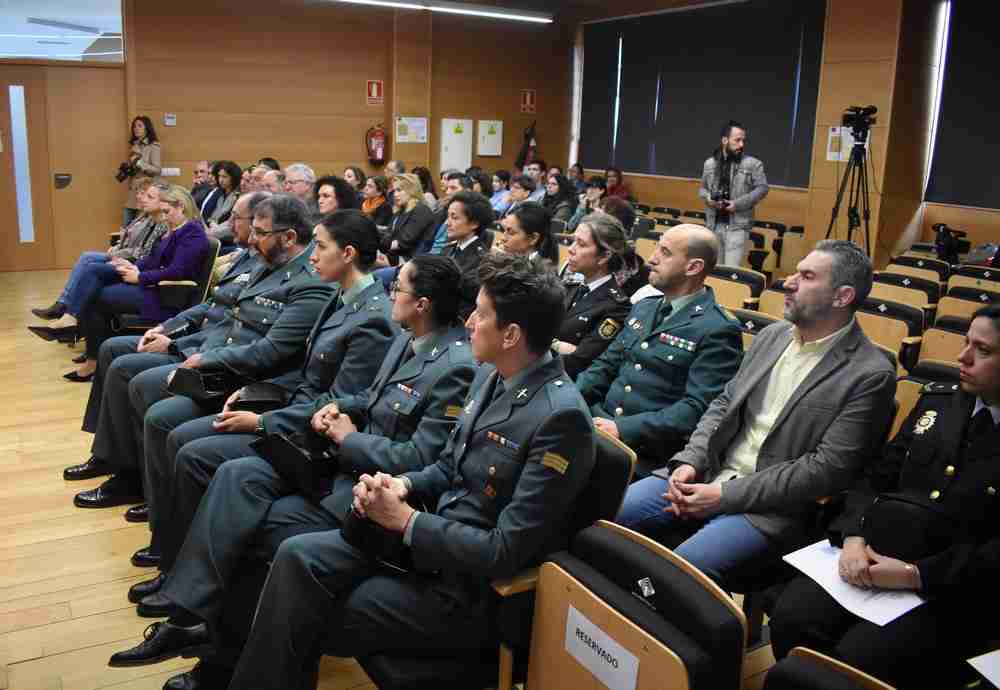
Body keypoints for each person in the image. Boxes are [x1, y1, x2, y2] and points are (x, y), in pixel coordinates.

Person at [109, 253, 595, 690]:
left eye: (481, 315)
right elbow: (447, 465)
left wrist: (406, 520)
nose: (468, 322)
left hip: (459, 588)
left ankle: (229, 671)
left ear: (511, 335)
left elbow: (505, 551)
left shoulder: (559, 417)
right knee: (272, 551)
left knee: (292, 597)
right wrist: (399, 486)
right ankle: (219, 665)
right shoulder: (495, 373)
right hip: (414, 538)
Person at [617, 240, 896, 585]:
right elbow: (723, 404)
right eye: (795, 271)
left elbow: (826, 470)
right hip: (709, 473)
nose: (789, 282)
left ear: (842, 297)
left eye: (807, 276)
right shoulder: (773, 336)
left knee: (679, 575)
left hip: (769, 509)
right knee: (606, 515)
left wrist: (724, 497)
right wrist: (689, 462)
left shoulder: (870, 374)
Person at [135, 209, 397, 576]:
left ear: (349, 254)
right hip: (291, 409)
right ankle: (173, 560)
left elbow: (337, 405)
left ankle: (180, 568)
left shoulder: (371, 317)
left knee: (193, 451)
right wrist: (253, 392)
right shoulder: (342, 298)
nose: (314, 255)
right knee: (183, 440)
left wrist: (262, 422)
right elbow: (305, 372)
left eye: (321, 247)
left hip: (311, 437)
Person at [768, 305, 1000, 690]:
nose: (963, 357)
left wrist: (917, 575)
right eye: (965, 343)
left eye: (984, 350)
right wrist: (855, 536)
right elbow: (874, 478)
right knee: (793, 619)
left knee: (859, 661)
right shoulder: (940, 402)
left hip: (955, 586)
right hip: (873, 556)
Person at [66, 194, 332, 508]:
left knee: (136, 380)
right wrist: (169, 329)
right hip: (213, 348)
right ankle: (116, 461)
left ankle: (138, 482)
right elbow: (218, 307)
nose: (247, 235)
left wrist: (196, 353)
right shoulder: (264, 261)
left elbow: (268, 350)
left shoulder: (307, 280)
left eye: (259, 231)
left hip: (238, 372)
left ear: (288, 237)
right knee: (116, 353)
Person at [577, 224, 742, 476]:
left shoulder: (717, 328)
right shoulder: (645, 308)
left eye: (665, 252)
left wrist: (622, 428)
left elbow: (695, 409)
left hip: (646, 451)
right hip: (596, 426)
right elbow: (605, 366)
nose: (652, 259)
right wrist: (570, 400)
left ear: (693, 267)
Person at [63, 186, 210, 382]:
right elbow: (152, 260)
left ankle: (90, 354)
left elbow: (177, 271)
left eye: (167, 212)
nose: (164, 217)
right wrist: (132, 265)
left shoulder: (193, 232)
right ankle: (93, 355)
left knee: (97, 295)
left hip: (167, 295)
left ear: (181, 207)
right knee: (96, 288)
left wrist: (140, 277)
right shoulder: (175, 230)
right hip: (155, 287)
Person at [29, 180, 167, 325]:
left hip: (135, 265)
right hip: (133, 262)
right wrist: (120, 251)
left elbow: (146, 255)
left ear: (164, 202)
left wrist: (122, 258)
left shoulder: (163, 225)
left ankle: (67, 312)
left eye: (147, 196)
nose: (141, 197)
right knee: (88, 260)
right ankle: (65, 309)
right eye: (139, 193)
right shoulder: (150, 219)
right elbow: (142, 250)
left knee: (91, 265)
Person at [552, 213, 633, 379]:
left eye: (581, 244)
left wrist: (545, 342)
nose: (571, 249)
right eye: (574, 240)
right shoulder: (570, 287)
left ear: (604, 256)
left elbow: (579, 361)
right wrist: (556, 345)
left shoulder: (617, 306)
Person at [698, 120, 769, 267]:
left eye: (743, 140)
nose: (741, 144)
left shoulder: (753, 164)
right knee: (714, 272)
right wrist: (708, 198)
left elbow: (762, 188)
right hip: (713, 225)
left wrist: (737, 204)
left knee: (730, 273)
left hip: (737, 226)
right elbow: (702, 189)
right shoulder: (709, 164)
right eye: (737, 140)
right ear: (725, 140)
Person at [442, 190, 495, 320]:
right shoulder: (448, 249)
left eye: (454, 217)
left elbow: (468, 298)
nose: (447, 223)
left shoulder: (482, 259)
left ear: (474, 223)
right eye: (447, 216)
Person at [381, 173, 436, 265]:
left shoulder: (421, 210)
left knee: (368, 261)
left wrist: (382, 246)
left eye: (399, 190)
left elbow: (404, 242)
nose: (395, 194)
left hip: (411, 261)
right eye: (394, 191)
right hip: (395, 256)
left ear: (411, 190)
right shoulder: (400, 211)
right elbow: (388, 235)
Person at [123, 115, 162, 227]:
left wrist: (140, 163)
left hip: (145, 191)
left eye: (140, 126)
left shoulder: (153, 146)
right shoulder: (134, 146)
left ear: (147, 128)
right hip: (133, 193)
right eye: (134, 126)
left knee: (140, 226)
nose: (136, 128)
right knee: (126, 226)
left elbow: (157, 169)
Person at [495, 201, 558, 265]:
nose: (503, 238)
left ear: (533, 238)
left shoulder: (540, 272)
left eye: (511, 233)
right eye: (504, 230)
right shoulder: (507, 260)